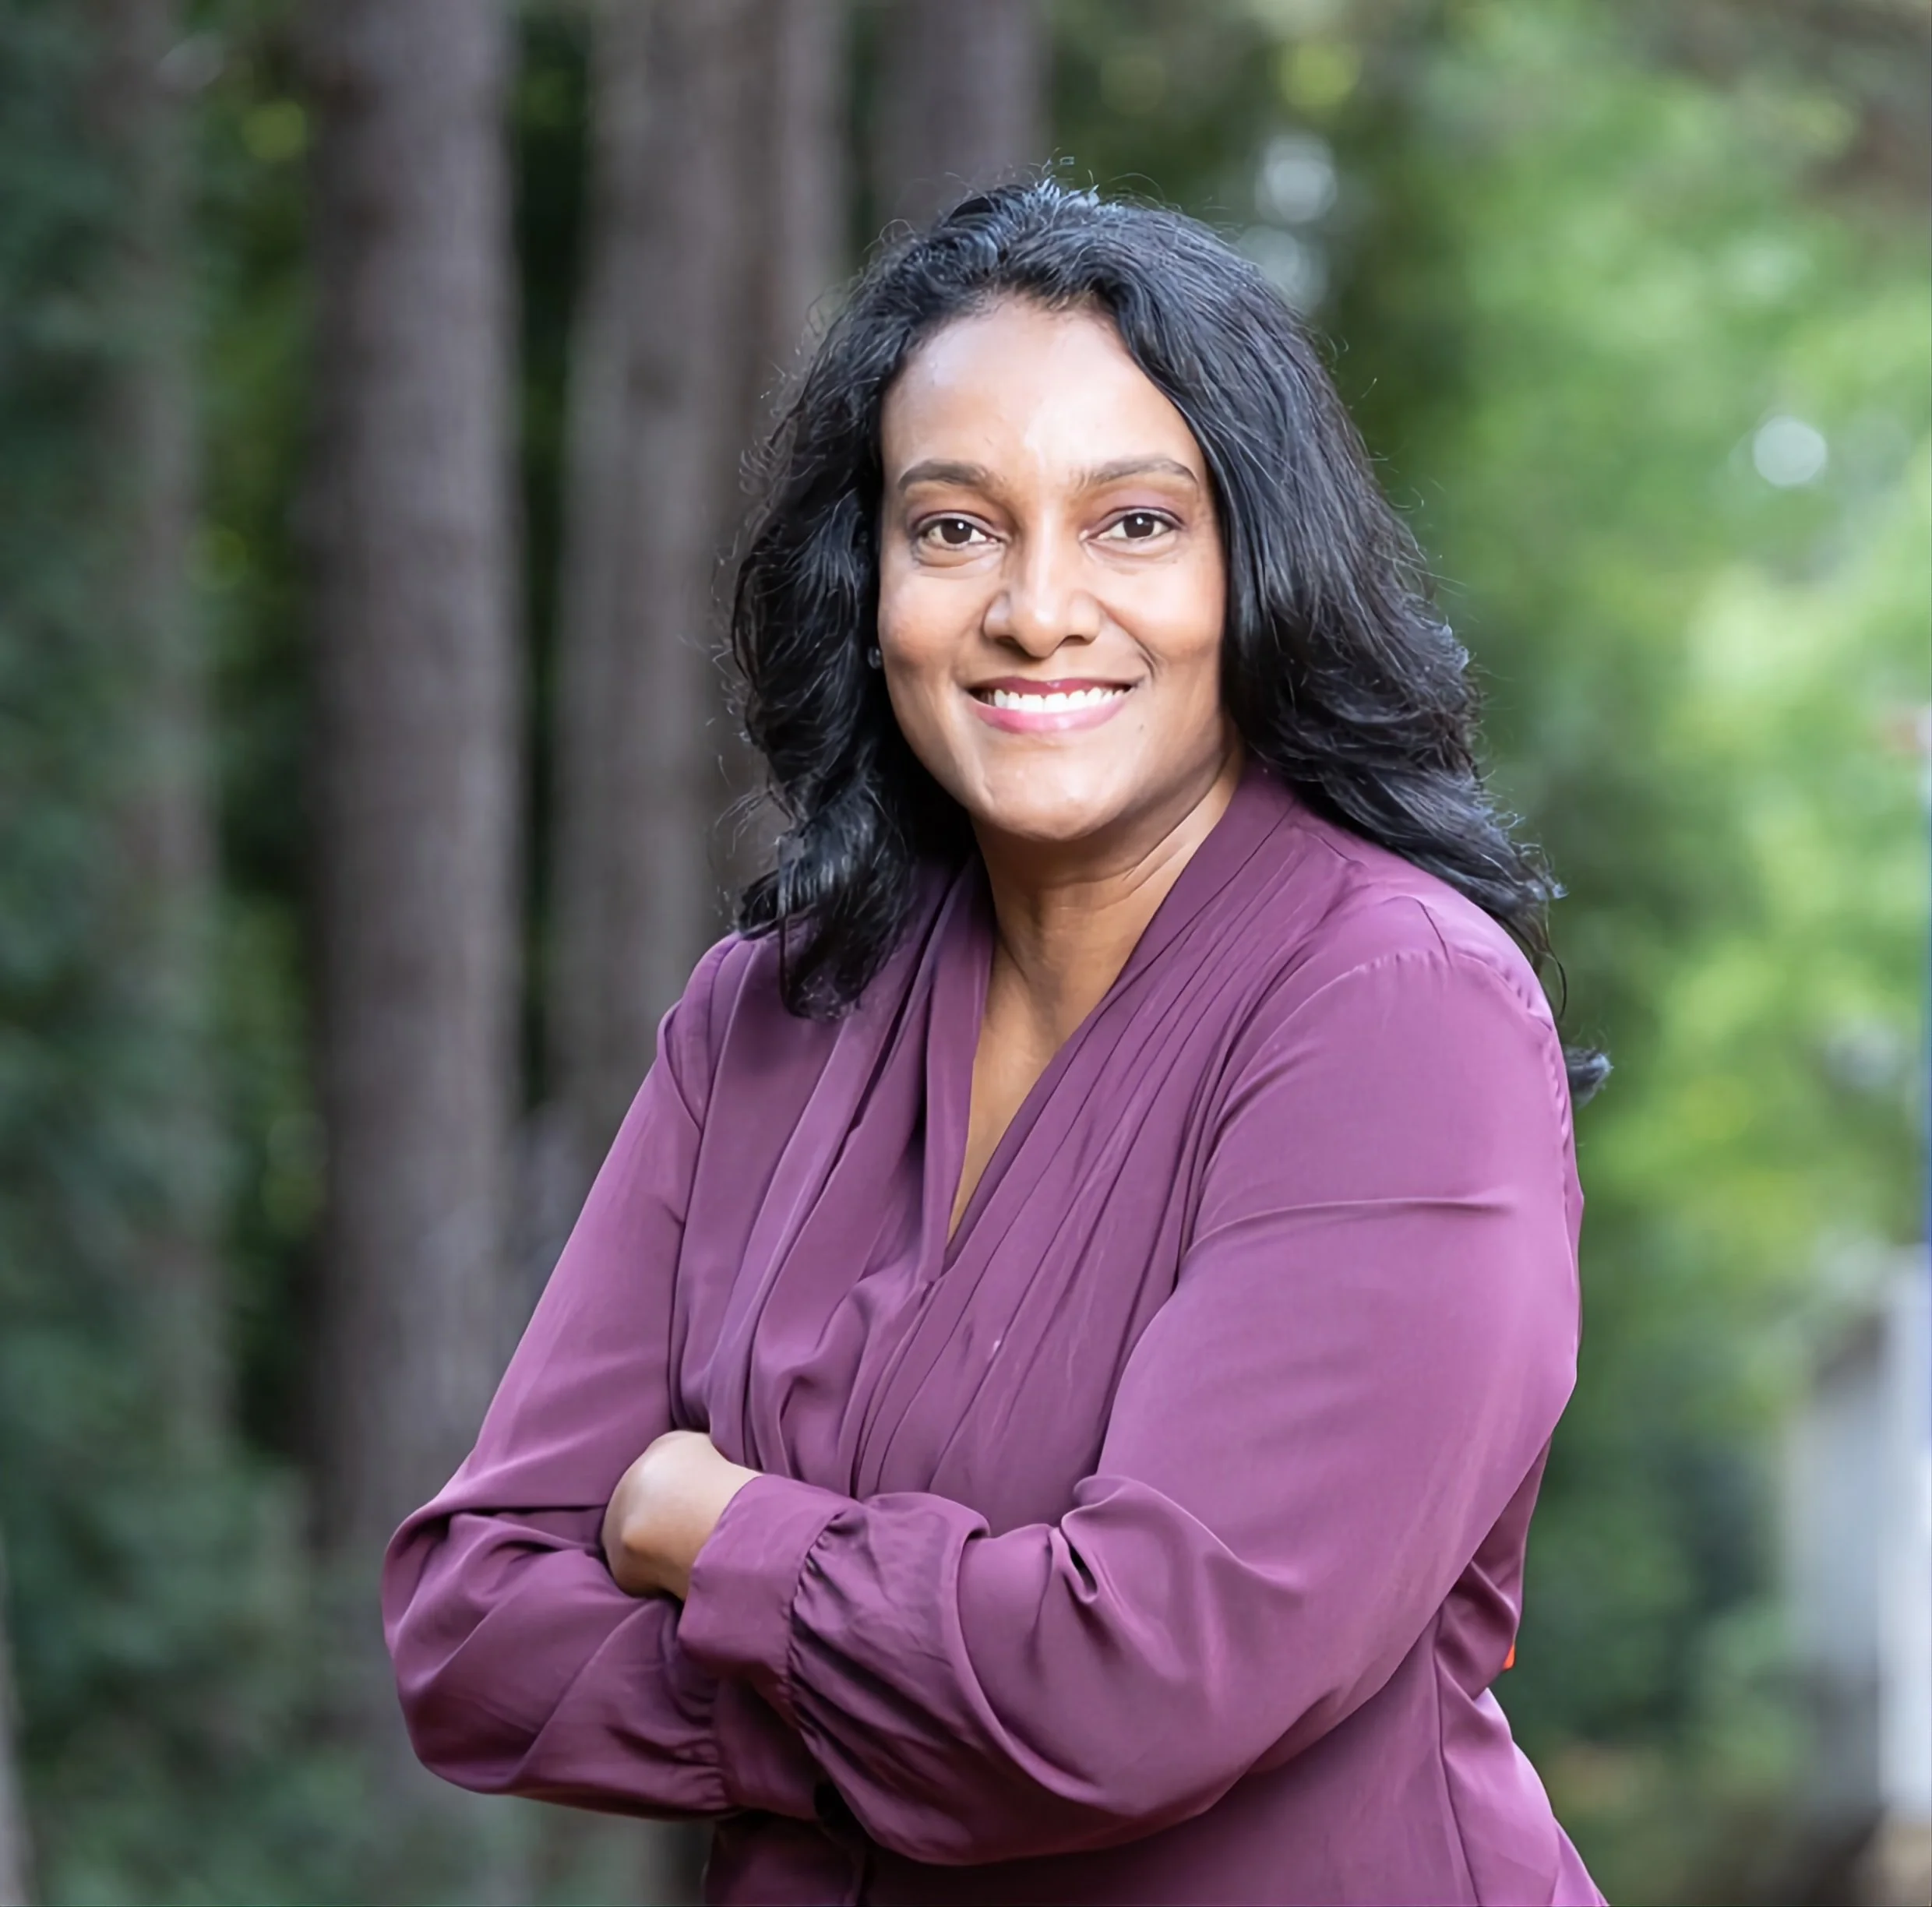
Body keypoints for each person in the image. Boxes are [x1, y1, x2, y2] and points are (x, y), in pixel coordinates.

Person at [383, 182, 1609, 1906]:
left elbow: (1135, 1691)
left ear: (1255, 564)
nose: (1036, 610)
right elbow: (470, 1629)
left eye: (1132, 525)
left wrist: (722, 1538)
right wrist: (928, 1717)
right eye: (954, 528)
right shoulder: (769, 1016)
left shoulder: (1397, 1010)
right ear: (868, 575)